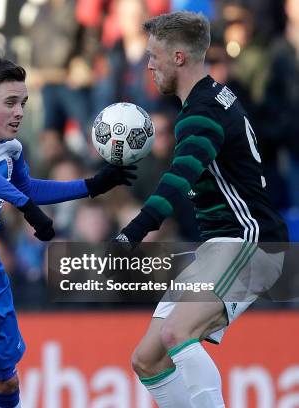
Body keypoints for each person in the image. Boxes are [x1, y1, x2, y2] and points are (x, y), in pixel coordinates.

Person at [0, 54, 135, 408]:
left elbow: (28, 188)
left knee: (5, 382)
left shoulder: (12, 149)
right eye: (11, 103)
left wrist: (92, 185)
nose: (20, 112)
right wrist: (26, 209)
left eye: (24, 103)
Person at [112, 11, 289, 407]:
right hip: (219, 246)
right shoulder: (210, 99)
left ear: (178, 57)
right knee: (147, 359)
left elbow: (180, 178)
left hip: (249, 242)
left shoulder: (202, 115)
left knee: (178, 335)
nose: (149, 64)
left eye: (154, 55)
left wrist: (133, 232)